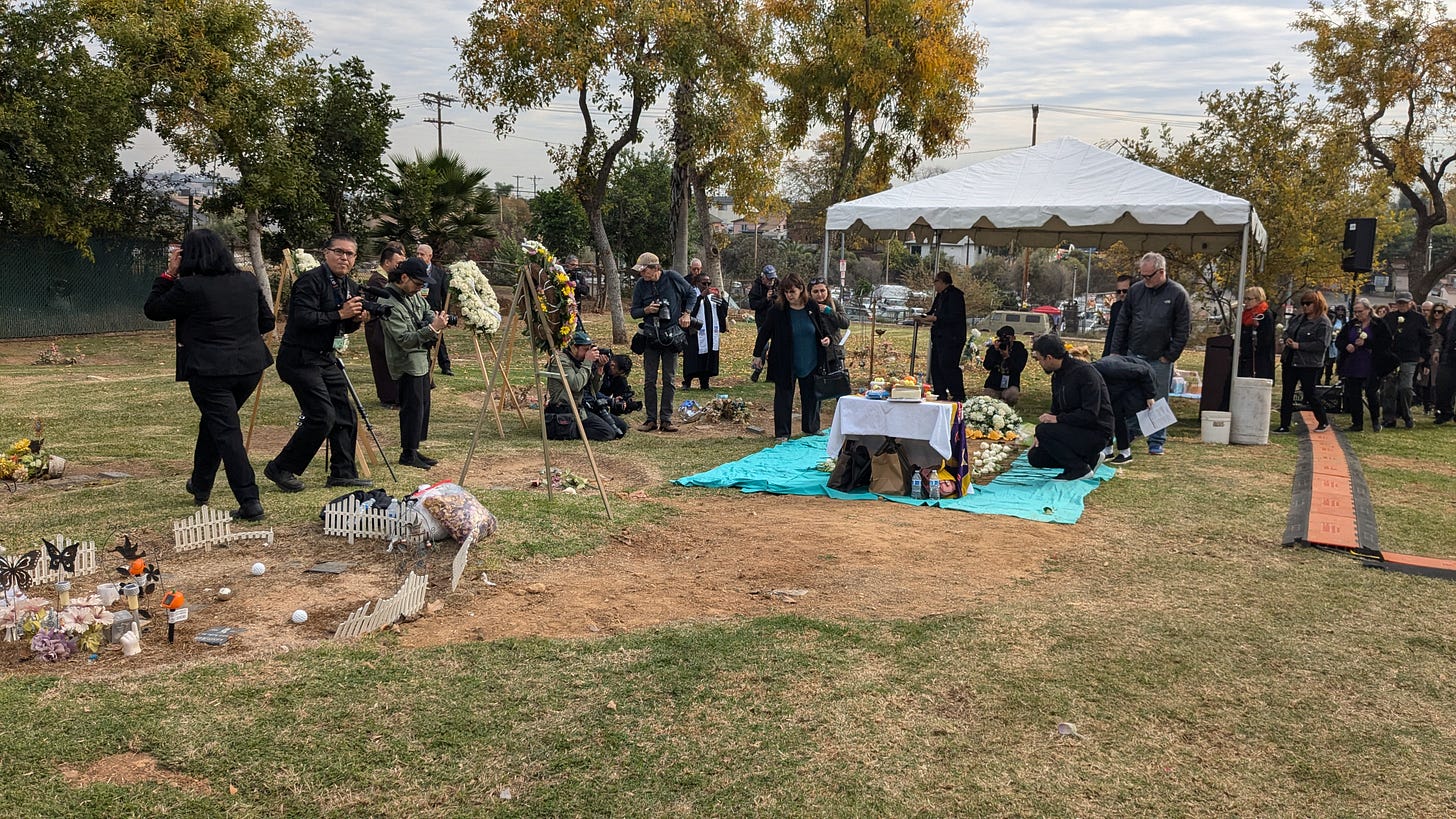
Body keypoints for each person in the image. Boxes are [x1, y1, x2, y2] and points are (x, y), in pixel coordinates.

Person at [143, 229, 274, 521]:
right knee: (215, 425)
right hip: (250, 367)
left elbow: (153, 310)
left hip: (210, 371)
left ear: (187, 256)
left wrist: (168, 274)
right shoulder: (247, 280)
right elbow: (266, 321)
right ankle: (201, 484)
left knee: (226, 432)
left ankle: (249, 499)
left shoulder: (188, 287)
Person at [265, 233, 372, 492]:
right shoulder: (309, 281)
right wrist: (340, 313)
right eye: (339, 251)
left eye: (350, 254)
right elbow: (302, 319)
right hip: (299, 358)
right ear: (326, 253)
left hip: (325, 358)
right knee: (322, 415)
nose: (344, 258)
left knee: (344, 413)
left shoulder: (349, 285)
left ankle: (342, 471)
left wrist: (356, 320)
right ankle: (281, 467)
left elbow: (343, 326)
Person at [1109, 252, 1191, 455]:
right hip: (1133, 353)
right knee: (1127, 395)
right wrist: (1116, 352)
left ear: (1161, 272)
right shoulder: (1136, 291)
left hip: (1159, 357)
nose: (1145, 280)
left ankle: (1156, 440)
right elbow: (1123, 322)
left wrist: (1170, 355)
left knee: (1157, 398)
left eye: (1149, 276)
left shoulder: (1177, 294)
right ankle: (1127, 434)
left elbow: (1183, 329)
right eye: (1142, 275)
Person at [377, 258, 446, 469]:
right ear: (404, 277)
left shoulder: (412, 295)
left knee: (423, 405)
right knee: (412, 408)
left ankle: (415, 447)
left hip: (420, 360)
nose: (419, 289)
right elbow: (404, 339)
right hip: (406, 362)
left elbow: (426, 310)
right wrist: (431, 329)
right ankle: (408, 453)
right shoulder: (388, 301)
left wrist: (429, 321)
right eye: (417, 284)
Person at [753, 271, 833, 442]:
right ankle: (782, 433)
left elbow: (821, 328)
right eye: (786, 292)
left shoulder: (811, 306)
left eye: (792, 291)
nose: (789, 295)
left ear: (801, 289)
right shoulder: (778, 309)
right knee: (783, 397)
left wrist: (827, 339)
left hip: (810, 358)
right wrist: (757, 355)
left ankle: (811, 427)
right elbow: (764, 332)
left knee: (811, 395)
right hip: (785, 361)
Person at [1027, 334, 1114, 481]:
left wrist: (1056, 420)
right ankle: (1088, 459)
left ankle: (1079, 469)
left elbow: (1090, 414)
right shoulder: (1057, 376)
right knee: (1035, 456)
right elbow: (1056, 408)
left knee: (1044, 431)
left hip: (1096, 431)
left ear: (1049, 358)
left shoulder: (1084, 373)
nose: (1039, 364)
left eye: (1039, 359)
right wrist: (1044, 429)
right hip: (1075, 428)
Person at [629, 251, 696, 432]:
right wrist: (647, 310)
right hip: (651, 336)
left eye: (644, 271)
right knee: (649, 379)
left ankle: (666, 419)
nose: (642, 274)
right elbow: (633, 312)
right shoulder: (640, 286)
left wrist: (687, 313)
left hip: (672, 336)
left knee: (670, 378)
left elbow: (692, 294)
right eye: (641, 272)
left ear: (655, 268)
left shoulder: (672, 277)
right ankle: (650, 419)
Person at [545, 330, 625, 441]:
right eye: (585, 349)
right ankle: (569, 429)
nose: (588, 353)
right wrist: (587, 361)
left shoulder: (580, 361)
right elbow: (576, 385)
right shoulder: (561, 361)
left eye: (589, 349)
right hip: (568, 408)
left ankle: (583, 426)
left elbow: (595, 390)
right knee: (607, 433)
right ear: (574, 348)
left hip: (584, 406)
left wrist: (600, 368)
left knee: (621, 426)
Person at [1275, 289, 1333, 433]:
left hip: (1309, 363)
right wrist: (1287, 339)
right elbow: (1288, 331)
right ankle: (1284, 424)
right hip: (1290, 360)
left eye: (1308, 303)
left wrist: (1299, 345)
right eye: (1303, 304)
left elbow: (1321, 345)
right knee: (1287, 393)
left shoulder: (1323, 323)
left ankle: (1323, 420)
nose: (1305, 306)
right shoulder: (1298, 319)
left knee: (1309, 393)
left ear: (1317, 304)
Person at [1336, 297, 1395, 432]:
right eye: (1355, 312)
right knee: (1354, 394)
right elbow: (1339, 340)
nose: (1357, 314)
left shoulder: (1379, 324)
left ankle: (1375, 420)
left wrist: (1367, 343)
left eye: (1360, 311)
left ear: (1368, 310)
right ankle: (1357, 423)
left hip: (1371, 364)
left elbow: (1386, 344)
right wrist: (1346, 346)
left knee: (1371, 393)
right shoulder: (1351, 325)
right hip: (1353, 363)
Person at [1092, 354, 1157, 465]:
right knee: (1107, 414)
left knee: (1118, 415)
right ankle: (1108, 450)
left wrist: (1149, 395)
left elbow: (1143, 371)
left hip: (1141, 380)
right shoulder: (1096, 374)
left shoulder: (1110, 368)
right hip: (1122, 385)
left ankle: (1125, 453)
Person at [1380, 291, 1430, 429]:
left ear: (1410, 303)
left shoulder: (1418, 319)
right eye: (1399, 303)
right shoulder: (1390, 317)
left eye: (1404, 303)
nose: (1401, 305)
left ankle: (1407, 415)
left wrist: (1424, 356)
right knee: (1389, 388)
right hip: (1392, 357)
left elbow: (1426, 338)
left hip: (1410, 357)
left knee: (1405, 387)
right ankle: (1389, 417)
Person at [364, 243, 405, 408]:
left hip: (387, 326)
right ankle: (388, 398)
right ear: (387, 263)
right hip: (377, 328)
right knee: (382, 363)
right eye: (397, 263)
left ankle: (397, 396)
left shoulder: (388, 278)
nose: (399, 267)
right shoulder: (377, 280)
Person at [917, 271, 967, 402]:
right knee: (936, 365)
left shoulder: (955, 296)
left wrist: (935, 318)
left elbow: (954, 317)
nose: (935, 285)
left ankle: (958, 394)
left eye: (936, 282)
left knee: (948, 365)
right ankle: (940, 392)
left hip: (952, 338)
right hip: (939, 337)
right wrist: (922, 317)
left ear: (943, 282)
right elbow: (933, 312)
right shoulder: (940, 296)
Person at [682, 270, 729, 389]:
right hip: (695, 331)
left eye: (709, 283)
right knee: (693, 357)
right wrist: (701, 296)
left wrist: (720, 300)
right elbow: (690, 311)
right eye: (704, 283)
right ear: (697, 283)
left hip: (710, 331)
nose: (707, 286)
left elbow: (723, 311)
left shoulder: (712, 296)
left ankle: (705, 382)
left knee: (707, 356)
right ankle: (687, 382)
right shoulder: (692, 294)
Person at [416, 244, 453, 376]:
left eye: (422, 254)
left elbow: (445, 295)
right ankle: (427, 365)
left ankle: (446, 366)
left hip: (435, 311)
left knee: (439, 340)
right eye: (417, 254)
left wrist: (446, 313)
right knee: (423, 338)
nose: (419, 256)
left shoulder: (439, 273)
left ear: (430, 256)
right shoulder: (414, 271)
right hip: (418, 310)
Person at [981, 325, 1028, 406]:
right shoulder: (993, 349)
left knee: (1012, 395)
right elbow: (987, 366)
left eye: (1008, 338)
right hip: (993, 384)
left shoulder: (1020, 351)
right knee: (986, 399)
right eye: (1002, 338)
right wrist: (995, 352)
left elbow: (1018, 369)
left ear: (1014, 338)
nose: (1005, 341)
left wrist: (1007, 357)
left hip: (1011, 384)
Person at [1237, 286, 1276, 380]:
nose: (1245, 302)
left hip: (1260, 360)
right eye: (1245, 299)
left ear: (1258, 299)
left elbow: (1267, 338)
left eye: (1249, 299)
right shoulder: (1245, 314)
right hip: (1246, 357)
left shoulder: (1265, 314)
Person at [747, 264, 778, 381]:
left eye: (773, 278)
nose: (771, 281)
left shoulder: (778, 285)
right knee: (763, 347)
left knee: (776, 348)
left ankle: (772, 375)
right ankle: (757, 370)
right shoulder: (756, 288)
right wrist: (766, 299)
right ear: (763, 277)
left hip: (777, 321)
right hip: (762, 322)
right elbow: (753, 305)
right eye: (769, 278)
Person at [1433, 305, 1456, 424]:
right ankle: (1445, 412)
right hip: (1449, 356)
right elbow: (1441, 334)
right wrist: (1437, 350)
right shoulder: (1452, 315)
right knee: (1443, 385)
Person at [1101, 275, 1132, 357]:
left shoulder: (1139, 307)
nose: (1121, 294)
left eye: (1125, 291)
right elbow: (1111, 331)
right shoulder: (1116, 307)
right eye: (1119, 291)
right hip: (1116, 351)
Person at [1324, 304, 1346, 385]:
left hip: (1341, 344)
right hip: (1332, 344)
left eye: (1342, 310)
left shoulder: (1346, 321)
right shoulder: (1333, 320)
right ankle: (1327, 379)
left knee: (1341, 362)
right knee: (1329, 363)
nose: (1340, 312)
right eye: (1338, 310)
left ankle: (1341, 379)